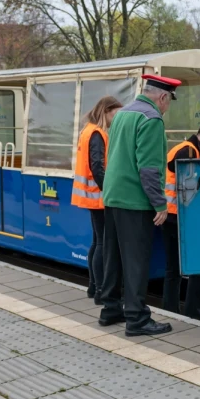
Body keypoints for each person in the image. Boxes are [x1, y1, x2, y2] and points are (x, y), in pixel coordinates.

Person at [97, 74, 181, 336]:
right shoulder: (151, 118)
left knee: (114, 257)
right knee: (136, 260)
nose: (167, 108)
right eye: (169, 102)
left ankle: (110, 309)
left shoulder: (123, 114)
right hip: (134, 200)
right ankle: (136, 318)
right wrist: (159, 204)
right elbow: (149, 168)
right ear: (163, 97)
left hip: (113, 197)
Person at [71, 95, 123, 305]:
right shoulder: (97, 133)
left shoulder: (87, 130)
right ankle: (102, 291)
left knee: (96, 241)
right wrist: (108, 191)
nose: (115, 119)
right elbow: (97, 166)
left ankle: (93, 286)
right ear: (106, 111)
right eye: (114, 114)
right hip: (98, 196)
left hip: (89, 194)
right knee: (102, 243)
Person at [163, 123, 200, 319]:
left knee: (173, 269)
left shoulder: (186, 148)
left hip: (171, 215)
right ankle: (193, 314)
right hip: (179, 217)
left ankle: (170, 311)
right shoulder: (189, 151)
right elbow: (188, 189)